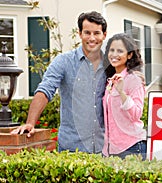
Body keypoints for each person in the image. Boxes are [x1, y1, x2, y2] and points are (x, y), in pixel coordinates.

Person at [11, 11, 107, 153]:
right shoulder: (63, 62)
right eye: (87, 32)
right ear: (80, 33)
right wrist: (30, 123)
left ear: (104, 35)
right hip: (72, 149)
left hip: (104, 149)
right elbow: (45, 90)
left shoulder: (111, 64)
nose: (92, 38)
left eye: (97, 33)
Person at [102, 33, 147, 160]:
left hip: (131, 146)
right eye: (112, 50)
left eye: (120, 51)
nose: (114, 54)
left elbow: (136, 114)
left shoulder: (134, 79)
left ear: (129, 54)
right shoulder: (110, 80)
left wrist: (122, 93)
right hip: (111, 149)